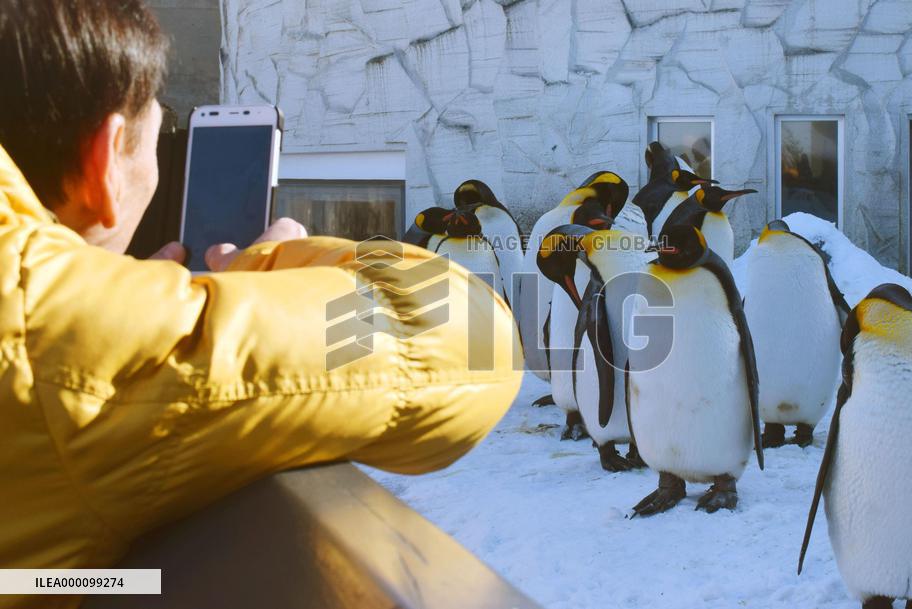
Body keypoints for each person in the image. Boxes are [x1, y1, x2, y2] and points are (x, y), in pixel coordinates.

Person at [0, 1, 522, 607]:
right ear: (105, 162)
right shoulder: (64, 327)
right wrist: (261, 268)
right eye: (156, 135)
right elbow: (469, 336)